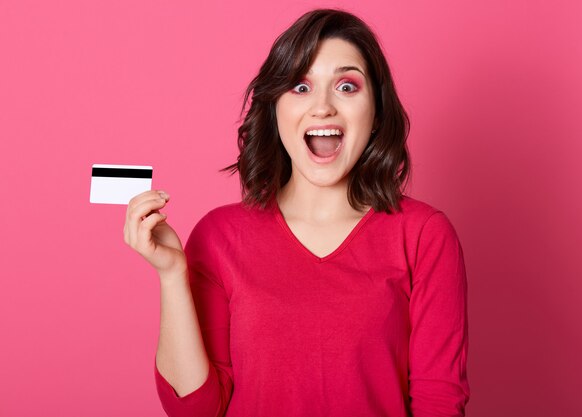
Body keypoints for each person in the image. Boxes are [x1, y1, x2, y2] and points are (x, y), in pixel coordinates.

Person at [124, 8, 469, 417]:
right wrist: (170, 276)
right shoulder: (219, 236)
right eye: (301, 87)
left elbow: (439, 404)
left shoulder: (424, 236)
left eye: (346, 86)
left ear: (376, 113)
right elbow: (195, 410)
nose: (322, 107)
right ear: (275, 109)